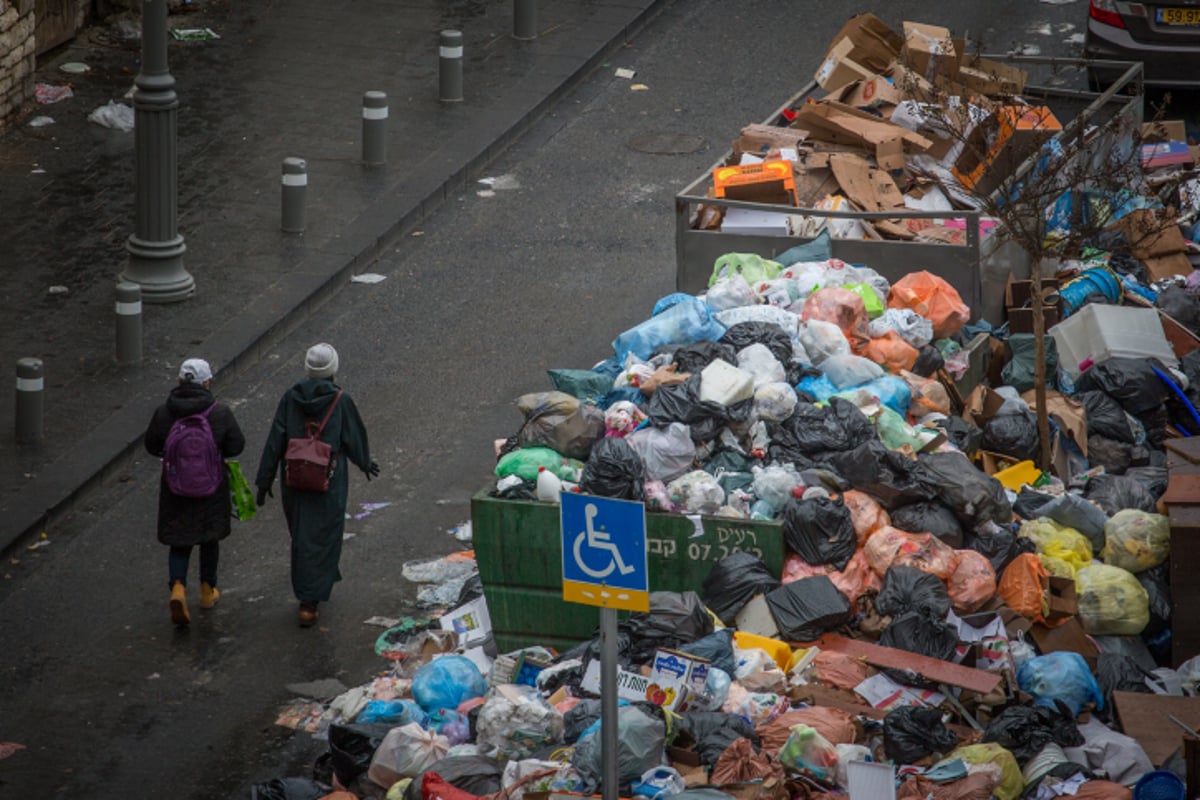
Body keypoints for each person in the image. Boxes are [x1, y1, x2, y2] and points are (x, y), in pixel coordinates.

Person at [255, 343, 378, 627]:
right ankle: (310, 601)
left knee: (302, 536)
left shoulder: (290, 398)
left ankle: (311, 590)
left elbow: (276, 440)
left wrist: (264, 481)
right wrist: (365, 462)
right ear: (333, 368)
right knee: (326, 535)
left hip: (295, 480)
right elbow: (353, 437)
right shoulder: (340, 401)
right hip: (329, 481)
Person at [144, 358, 245, 627]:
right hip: (211, 489)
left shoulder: (164, 413)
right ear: (207, 383)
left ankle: (177, 588)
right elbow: (236, 445)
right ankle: (207, 591)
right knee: (209, 539)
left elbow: (152, 445)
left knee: (180, 540)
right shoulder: (219, 413)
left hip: (175, 489)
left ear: (179, 381)